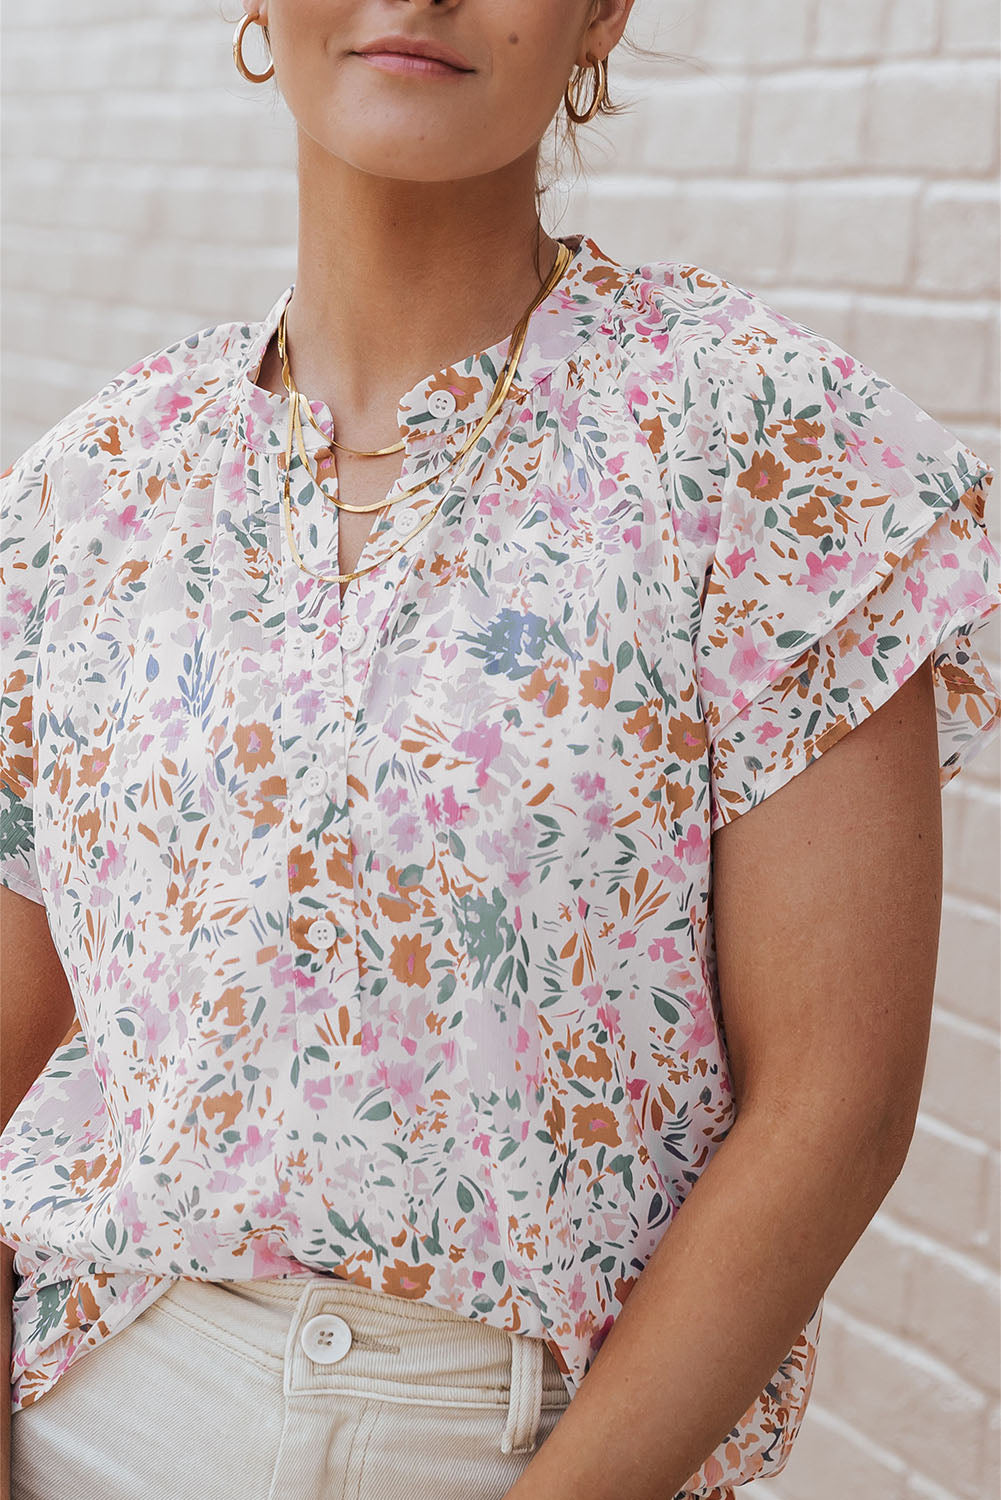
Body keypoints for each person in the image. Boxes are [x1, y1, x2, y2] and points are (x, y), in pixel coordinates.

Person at [3, 2, 1000, 1497]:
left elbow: (833, 1110)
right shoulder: (90, 496)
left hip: (531, 1454)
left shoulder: (770, 450)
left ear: (598, 12)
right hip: (88, 1413)